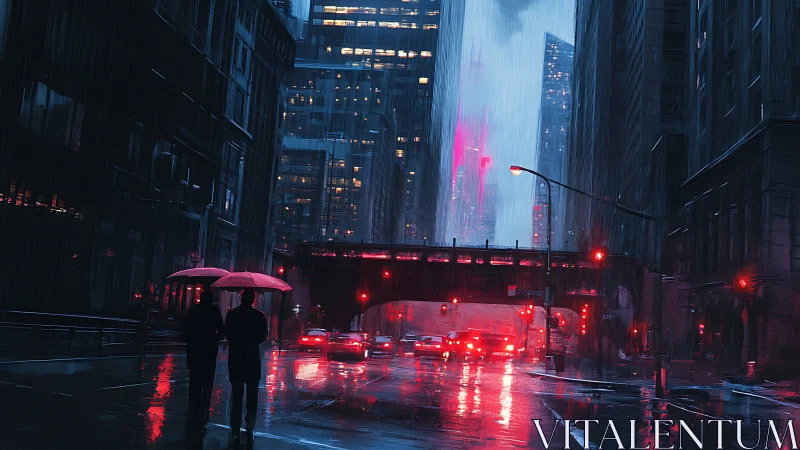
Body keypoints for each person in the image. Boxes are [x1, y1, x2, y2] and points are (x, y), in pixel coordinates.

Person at [182, 289, 224, 442]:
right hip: (209, 353)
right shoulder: (214, 311)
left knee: (194, 385)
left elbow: (185, 330)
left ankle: (193, 414)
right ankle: (202, 418)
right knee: (206, 386)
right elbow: (222, 331)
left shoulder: (194, 310)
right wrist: (214, 338)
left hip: (195, 353)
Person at [225, 289, 267, 436]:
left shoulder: (232, 315)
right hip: (252, 358)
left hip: (236, 357)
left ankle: (235, 421)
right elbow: (263, 336)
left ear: (241, 298)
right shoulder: (259, 316)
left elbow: (227, 333)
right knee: (252, 393)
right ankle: (250, 420)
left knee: (237, 392)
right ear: (253, 300)